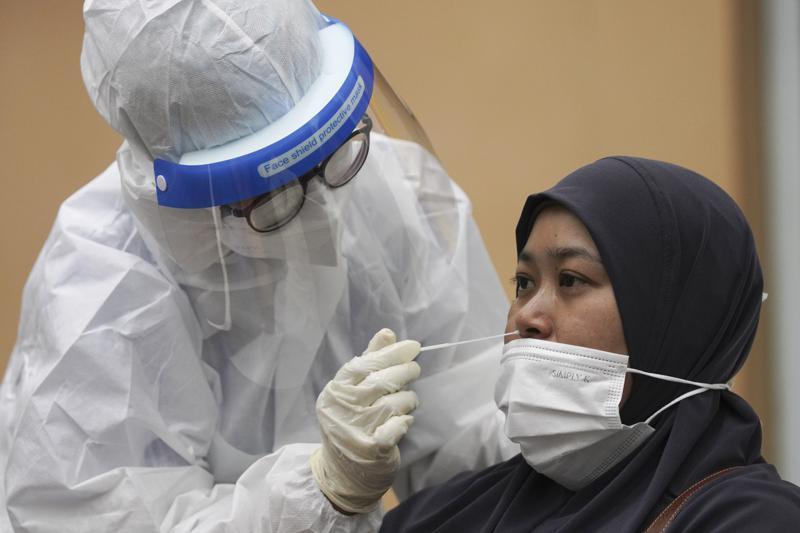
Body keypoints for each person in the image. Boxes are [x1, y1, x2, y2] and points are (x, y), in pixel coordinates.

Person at [0, 1, 515, 531]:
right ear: (188, 194)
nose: (319, 214)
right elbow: (99, 518)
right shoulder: (100, 286)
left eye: (332, 154)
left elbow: (471, 442)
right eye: (270, 193)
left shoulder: (394, 193)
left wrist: (555, 420)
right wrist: (318, 494)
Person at [377, 156, 800, 532]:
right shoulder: (446, 513)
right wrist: (335, 502)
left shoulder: (748, 519)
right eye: (524, 283)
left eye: (571, 280)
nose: (526, 316)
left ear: (675, 318)